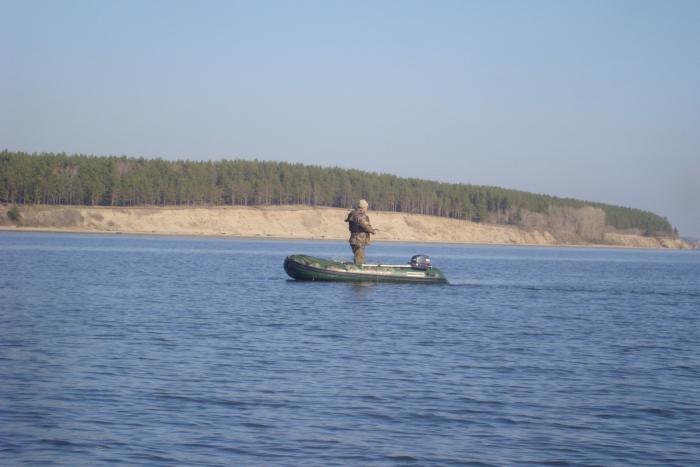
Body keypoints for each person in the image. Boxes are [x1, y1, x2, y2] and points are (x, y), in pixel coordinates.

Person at [345, 199, 377, 265]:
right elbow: (364, 225)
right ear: (363, 207)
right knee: (359, 260)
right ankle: (357, 271)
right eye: (366, 207)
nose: (367, 209)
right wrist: (372, 231)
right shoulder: (360, 215)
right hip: (359, 241)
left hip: (354, 240)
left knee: (358, 257)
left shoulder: (353, 213)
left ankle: (354, 269)